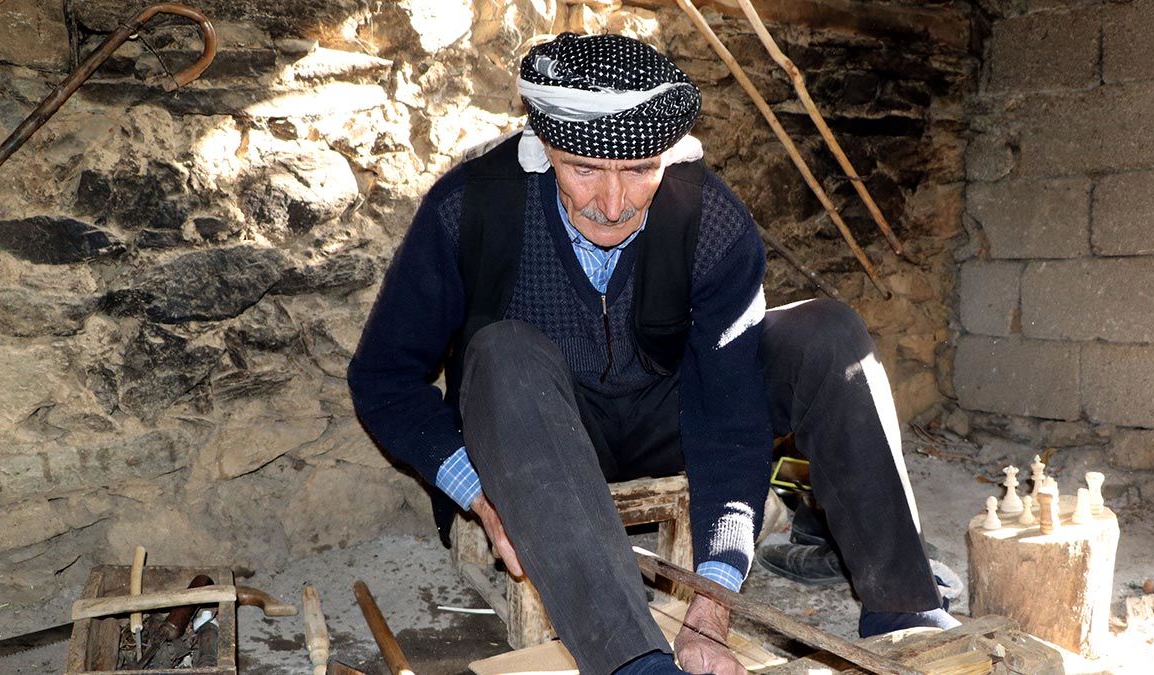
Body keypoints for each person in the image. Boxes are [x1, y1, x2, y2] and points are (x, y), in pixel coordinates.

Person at [348, 32, 957, 675]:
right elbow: (383, 378)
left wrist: (711, 604)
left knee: (829, 335)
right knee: (501, 351)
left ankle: (904, 610)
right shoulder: (469, 207)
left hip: (672, 419)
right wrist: (478, 492)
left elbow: (729, 410)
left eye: (640, 170)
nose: (613, 206)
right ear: (544, 149)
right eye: (584, 170)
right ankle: (634, 661)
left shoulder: (709, 217)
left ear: (668, 154)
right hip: (536, 433)